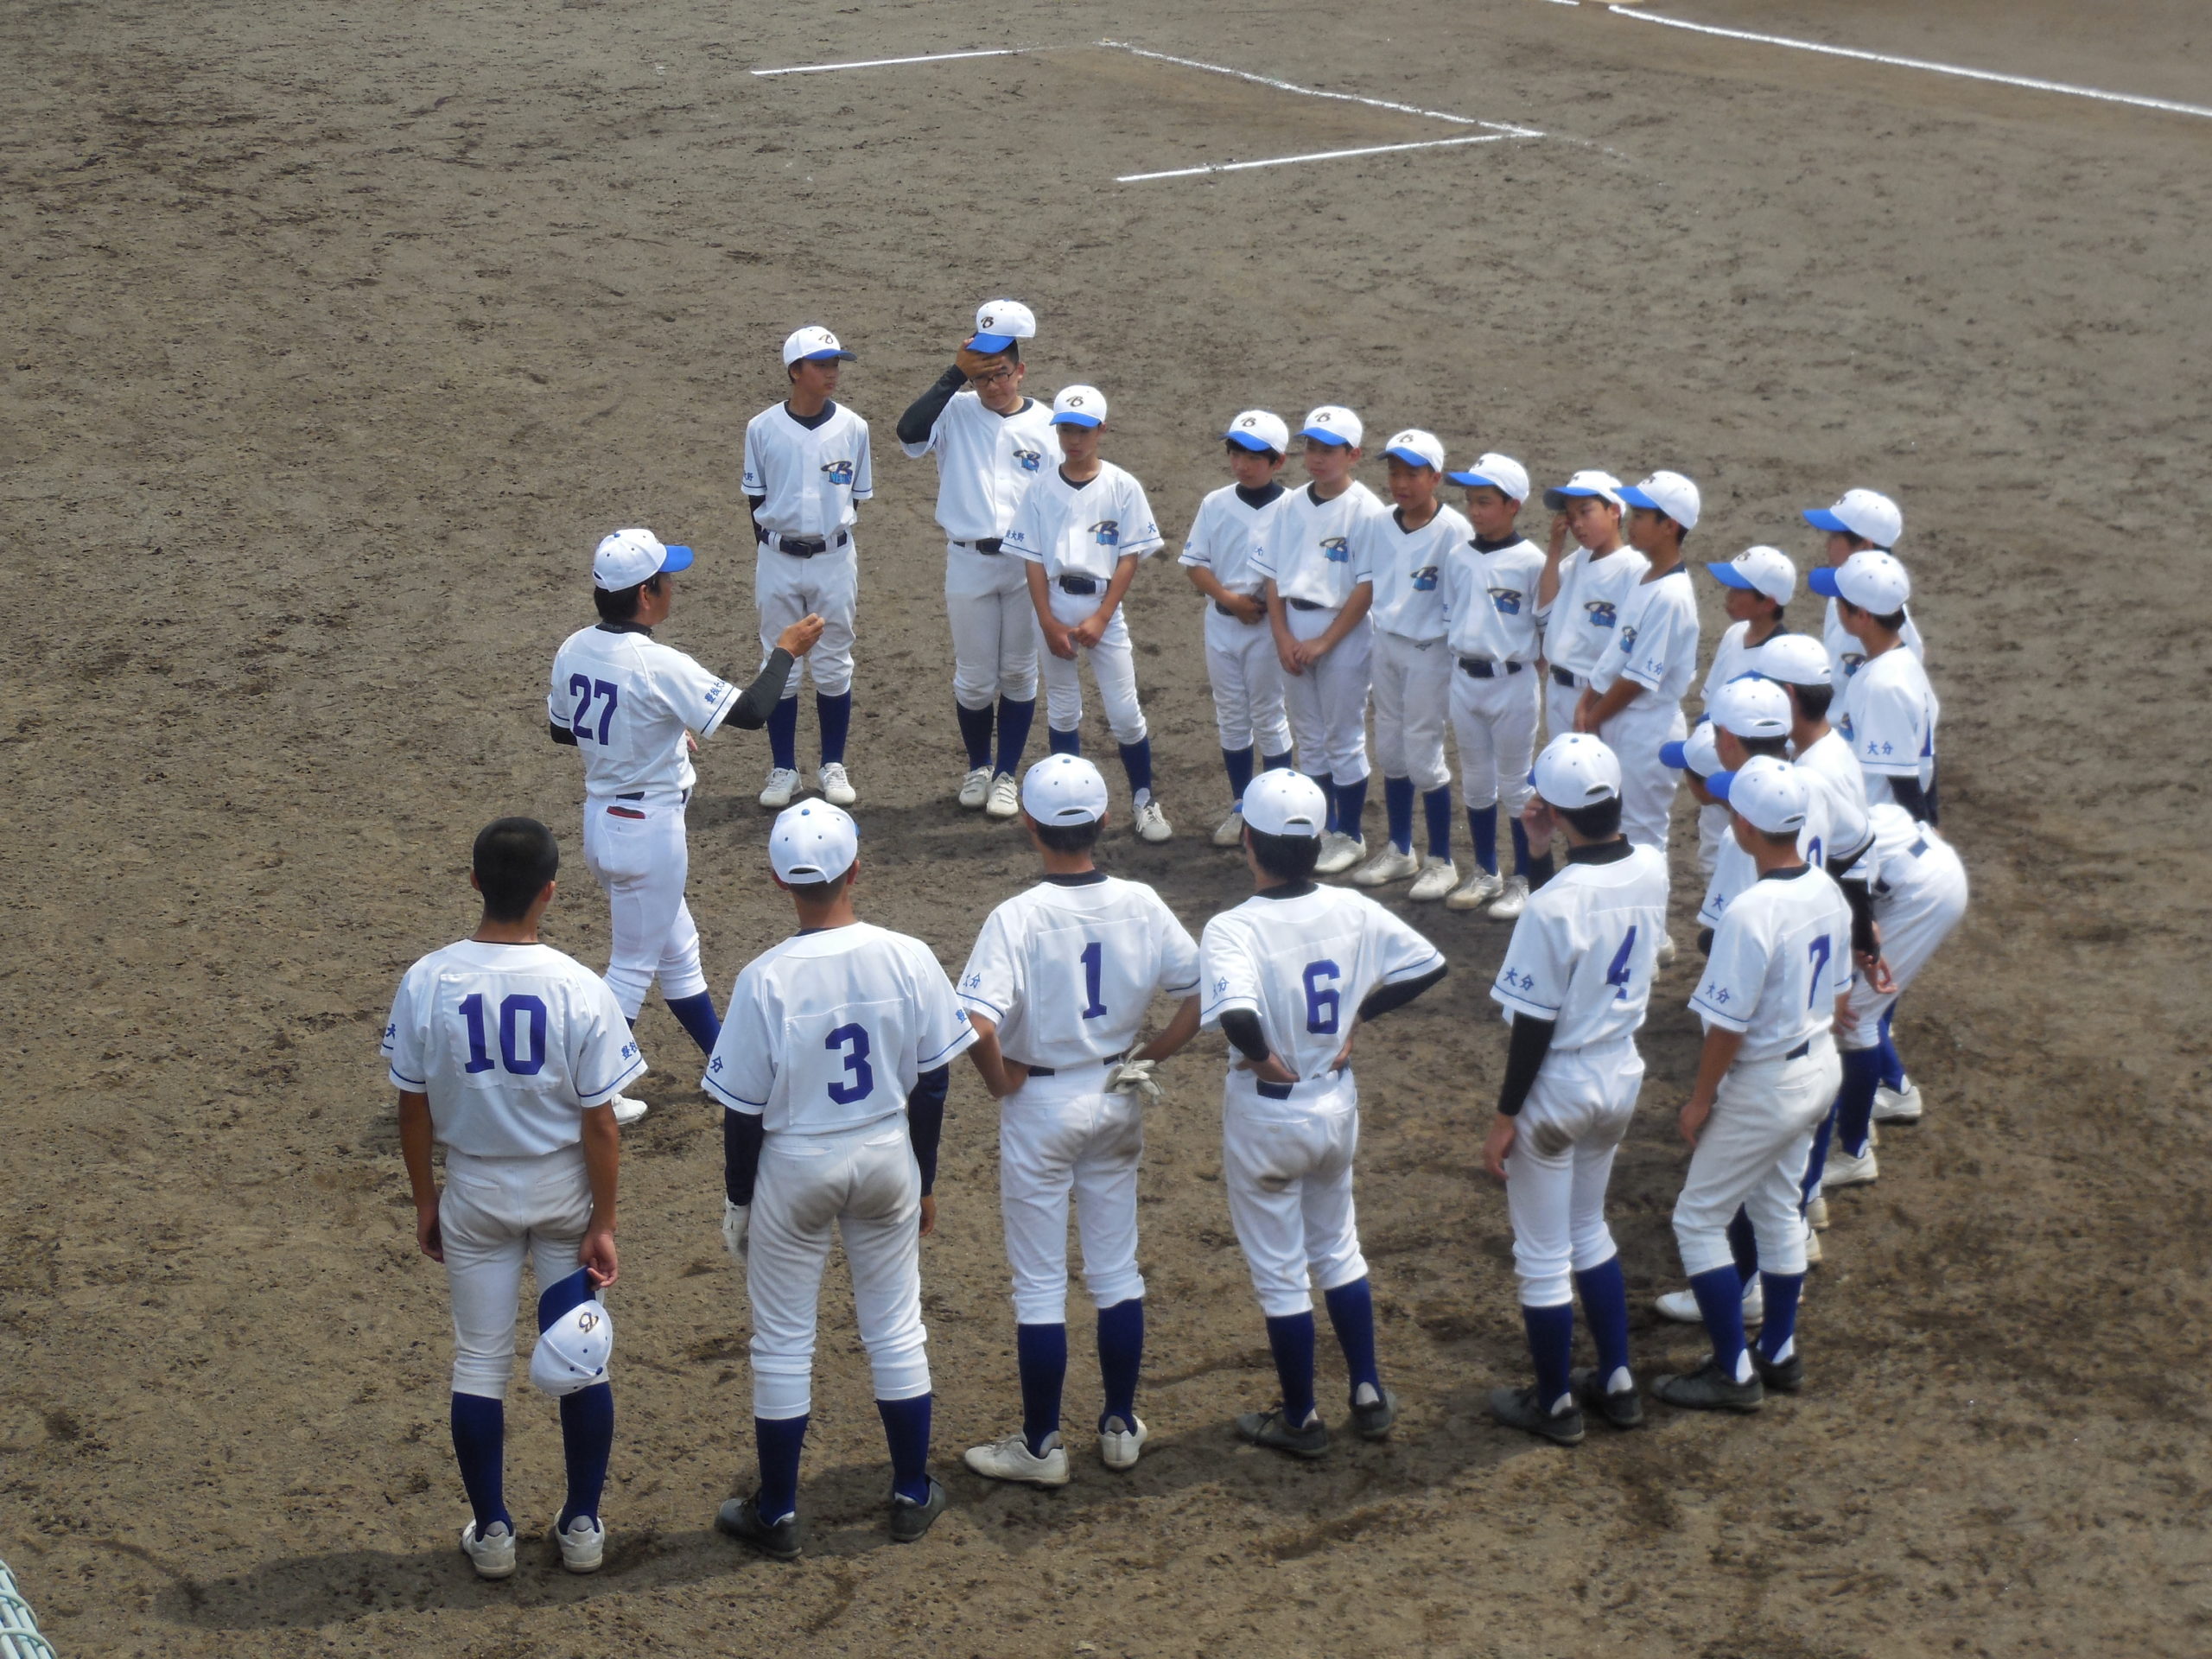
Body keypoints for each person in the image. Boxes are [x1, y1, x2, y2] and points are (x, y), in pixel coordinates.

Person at [705, 802, 977, 1558]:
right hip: (887, 1150)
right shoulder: (909, 955)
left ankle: (781, 1513)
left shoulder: (763, 978)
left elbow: (743, 1113)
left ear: (776, 880)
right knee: (895, 1326)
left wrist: (740, 1197)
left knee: (784, 1341)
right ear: (857, 869)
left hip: (796, 1164)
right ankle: (912, 1492)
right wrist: (923, 1177)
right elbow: (933, 1085)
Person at [384, 817, 643, 1580]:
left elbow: (412, 1106)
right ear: (550, 893)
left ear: (474, 882)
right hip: (563, 1189)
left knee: (478, 1364)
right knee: (584, 1359)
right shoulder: (578, 985)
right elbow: (601, 1122)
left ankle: (494, 1533)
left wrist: (425, 1200)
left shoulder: (429, 977)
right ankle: (583, 1524)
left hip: (475, 1191)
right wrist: (604, 1221)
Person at [956, 756, 1204, 1485]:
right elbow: (1202, 996)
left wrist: (1001, 1082)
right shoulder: (1143, 901)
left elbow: (976, 1022)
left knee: (1039, 1284)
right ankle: (1121, 1423)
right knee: (1115, 1268)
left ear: (1028, 824)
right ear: (1102, 821)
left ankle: (1040, 1446)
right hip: (1117, 1093)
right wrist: (1149, 1054)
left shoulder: (1018, 917)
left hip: (1042, 1105)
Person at [1199, 772, 1448, 1457]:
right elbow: (1430, 964)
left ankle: (1301, 1417)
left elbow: (1236, 1013)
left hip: (1268, 1118)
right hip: (1335, 1105)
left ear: (1249, 840)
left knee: (1282, 1270)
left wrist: (1260, 1058)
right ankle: (1366, 1390)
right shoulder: (1354, 909)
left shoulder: (1234, 927)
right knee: (1338, 1247)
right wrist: (1362, 1013)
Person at [549, 528, 823, 1122]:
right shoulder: (656, 663)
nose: (674, 587)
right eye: (667, 579)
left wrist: (655, 728)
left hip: (603, 820)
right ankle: (590, 1092)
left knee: (677, 953)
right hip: (647, 831)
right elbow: (752, 713)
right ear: (646, 594)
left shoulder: (573, 648)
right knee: (631, 966)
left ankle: (726, 1065)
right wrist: (786, 651)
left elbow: (563, 728)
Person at [1482, 735, 1668, 1445]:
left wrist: (1505, 1116)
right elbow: (1584, 895)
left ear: (1554, 811)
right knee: (1589, 1228)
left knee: (1541, 1253)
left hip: (1558, 1085)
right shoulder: (1651, 867)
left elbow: (1532, 1023)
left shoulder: (1550, 907)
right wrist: (1540, 849)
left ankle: (1555, 1403)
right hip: (1620, 1074)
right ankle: (1617, 1380)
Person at [1653, 758, 1851, 1413]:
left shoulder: (1751, 910)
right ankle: (1779, 1350)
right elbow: (1842, 993)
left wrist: (1701, 1099)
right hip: (1821, 1064)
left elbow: (1727, 1027)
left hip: (1768, 1083)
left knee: (1699, 1217)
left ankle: (1734, 1371)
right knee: (1776, 1208)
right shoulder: (1824, 888)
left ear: (1746, 824)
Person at [897, 300, 1055, 818]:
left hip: (1025, 564)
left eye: (1002, 374)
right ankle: (978, 766)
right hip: (967, 559)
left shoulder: (1048, 426)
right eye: (983, 376)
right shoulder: (955, 411)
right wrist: (952, 378)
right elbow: (908, 432)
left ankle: (1008, 773)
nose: (993, 385)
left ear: (1021, 370)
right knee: (973, 677)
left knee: (1017, 672)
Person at [1004, 385, 1173, 842]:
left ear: (1101, 429)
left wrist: (1101, 616)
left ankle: (1144, 800)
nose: (1073, 439)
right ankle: (1069, 804)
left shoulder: (1122, 486)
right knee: (1062, 710)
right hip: (1054, 601)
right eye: (1065, 430)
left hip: (1102, 605)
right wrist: (1047, 621)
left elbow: (1129, 557)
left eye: (1082, 430)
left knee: (1125, 712)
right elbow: (1033, 559)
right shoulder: (1039, 488)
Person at [743, 325, 873, 810]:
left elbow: (858, 496)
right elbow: (754, 498)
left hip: (835, 558)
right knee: (780, 659)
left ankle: (832, 765)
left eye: (836, 363)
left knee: (835, 662)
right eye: (821, 365)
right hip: (776, 558)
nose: (832, 372)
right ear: (795, 371)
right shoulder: (761, 427)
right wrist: (774, 548)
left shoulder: (855, 428)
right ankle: (783, 769)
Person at [1254, 405, 1386, 875]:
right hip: (1294, 624)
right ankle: (1320, 826)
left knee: (1343, 736)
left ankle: (1349, 833)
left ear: (1353, 455)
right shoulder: (1289, 504)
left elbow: (1366, 588)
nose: (1316, 457)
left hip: (1342, 633)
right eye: (1311, 446)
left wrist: (1325, 642)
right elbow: (1271, 576)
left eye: (1328, 449)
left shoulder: (1368, 511)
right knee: (1309, 738)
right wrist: (1283, 635)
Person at [1577, 471, 1702, 957]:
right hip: (1620, 718)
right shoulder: (1647, 576)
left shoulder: (1672, 596)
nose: (1632, 521)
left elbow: (1638, 677)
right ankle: (1627, 931)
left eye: (1643, 515)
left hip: (1646, 726)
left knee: (1643, 835)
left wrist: (1594, 715)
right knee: (1619, 827)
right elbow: (1614, 655)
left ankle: (1648, 940)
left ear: (1669, 525)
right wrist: (1588, 702)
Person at [1814, 802, 1968, 1192]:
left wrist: (1855, 962)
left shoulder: (1814, 836)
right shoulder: (1831, 802)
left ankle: (1854, 1154)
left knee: (1853, 1016)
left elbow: (1848, 906)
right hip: (1924, 871)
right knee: (1863, 1003)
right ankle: (1895, 1088)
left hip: (1923, 894)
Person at [1350, 429, 1467, 901]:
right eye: (1395, 471)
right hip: (1388, 645)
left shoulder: (1455, 530)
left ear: (1435, 477)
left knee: (1423, 753)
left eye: (1413, 473)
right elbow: (1370, 584)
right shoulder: (1380, 523)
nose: (1401, 482)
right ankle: (1400, 848)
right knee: (1391, 750)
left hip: (1430, 651)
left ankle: (1442, 859)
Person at [1180, 410, 1300, 845]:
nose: (1242, 463)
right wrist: (1229, 599)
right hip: (1223, 621)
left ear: (1277, 461)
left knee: (1268, 716)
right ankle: (1243, 808)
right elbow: (1195, 565)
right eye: (1236, 452)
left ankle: (1279, 808)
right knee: (1231, 716)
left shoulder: (1293, 507)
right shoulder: (1215, 502)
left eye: (1253, 455)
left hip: (1269, 626)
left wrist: (1263, 606)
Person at [1440, 452, 1548, 916]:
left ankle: (1524, 879)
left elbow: (1544, 632)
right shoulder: (1458, 556)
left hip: (1512, 683)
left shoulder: (1532, 562)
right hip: (1464, 678)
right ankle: (1486, 871)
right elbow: (1451, 615)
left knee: (1516, 784)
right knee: (1477, 782)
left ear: (1513, 505)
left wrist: (1523, 680)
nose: (1476, 511)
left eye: (1485, 501)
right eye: (1471, 502)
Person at [1815, 550, 1941, 823]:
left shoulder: (1883, 685)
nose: (1835, 605)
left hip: (1884, 833)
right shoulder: (1903, 663)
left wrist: (1925, 830)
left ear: (1861, 615)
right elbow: (1926, 758)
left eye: (1840, 600)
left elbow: (1903, 780)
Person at [1694, 544, 1796, 874]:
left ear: (1768, 602)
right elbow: (1710, 706)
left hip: (1751, 798)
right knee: (1712, 866)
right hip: (1715, 779)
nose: (1729, 595)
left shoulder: (1784, 660)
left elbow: (1781, 743)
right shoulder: (1733, 635)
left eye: (1740, 590)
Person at [1535, 470, 1645, 742]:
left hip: (1596, 695)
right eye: (1571, 517)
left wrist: (1596, 704)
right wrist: (1554, 550)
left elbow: (1632, 646)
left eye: (1586, 512)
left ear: (1615, 511)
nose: (1578, 525)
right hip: (1557, 688)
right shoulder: (1577, 560)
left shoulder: (1635, 569)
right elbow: (1546, 609)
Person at [1802, 488, 1923, 697]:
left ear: (1864, 547)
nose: (1827, 544)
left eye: (1835, 537)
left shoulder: (1876, 627)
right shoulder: (1842, 590)